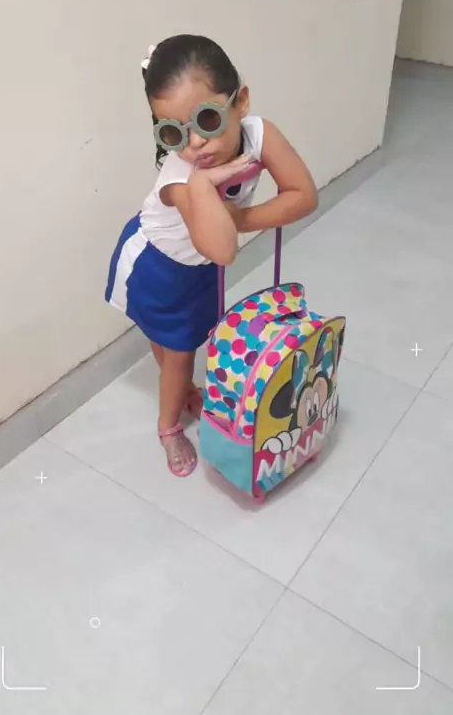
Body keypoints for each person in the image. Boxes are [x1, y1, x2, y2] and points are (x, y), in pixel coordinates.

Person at [106, 34, 318, 478]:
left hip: (198, 266)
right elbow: (223, 250)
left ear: (241, 101)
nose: (196, 144)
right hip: (156, 266)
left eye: (206, 119)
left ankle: (181, 389)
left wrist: (237, 217)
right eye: (173, 133)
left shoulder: (259, 133)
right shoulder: (181, 176)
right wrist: (203, 187)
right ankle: (168, 427)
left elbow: (303, 195)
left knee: (178, 342)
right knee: (179, 351)